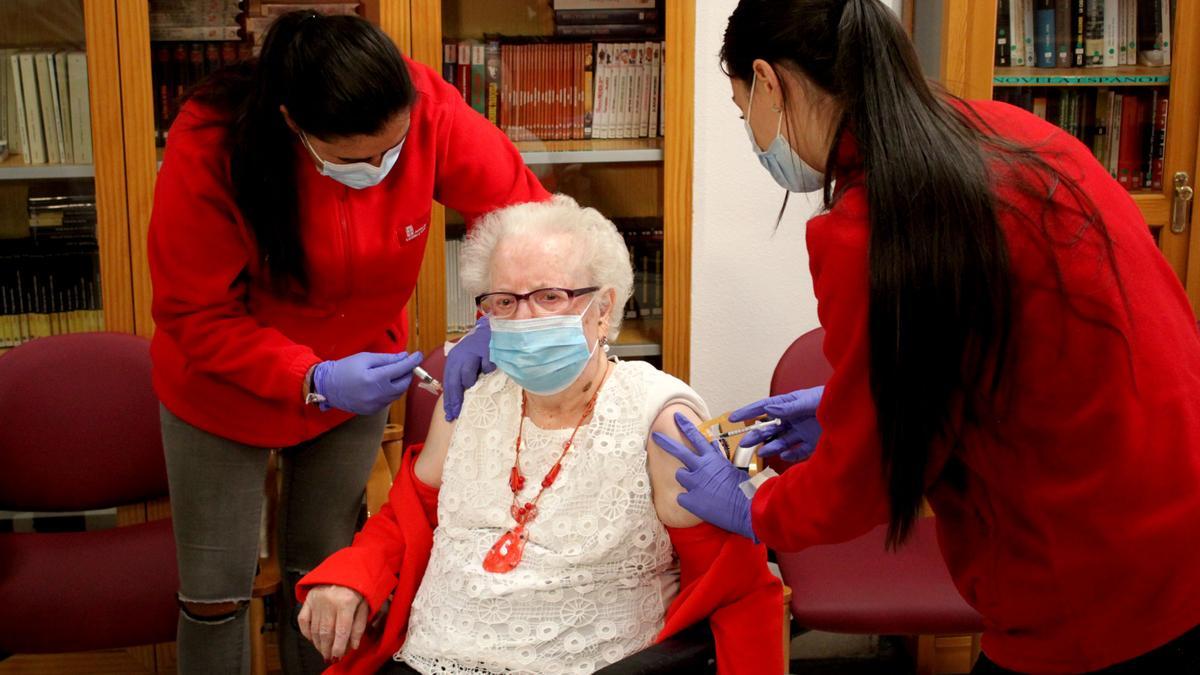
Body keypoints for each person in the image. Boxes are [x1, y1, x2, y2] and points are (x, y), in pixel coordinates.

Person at [654, 1, 1200, 673]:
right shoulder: (1007, 131)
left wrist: (756, 508)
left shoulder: (868, 228)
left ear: (769, 82)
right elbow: (1013, 343)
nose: (755, 135)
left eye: (745, 115)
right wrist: (849, 401)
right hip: (1176, 507)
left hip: (1089, 578)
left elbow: (867, 482)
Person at [148, 11, 546, 674]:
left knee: (328, 575)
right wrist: (313, 377)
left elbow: (522, 216)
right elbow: (194, 313)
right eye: (356, 159)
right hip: (219, 386)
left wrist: (499, 316)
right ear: (291, 123)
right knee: (217, 593)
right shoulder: (213, 143)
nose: (382, 170)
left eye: (393, 150)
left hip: (363, 372)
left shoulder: (423, 108)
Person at [293, 196, 783, 674]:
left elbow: (732, 586)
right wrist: (353, 575)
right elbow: (410, 516)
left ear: (604, 308)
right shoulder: (468, 399)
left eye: (550, 296)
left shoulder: (657, 418)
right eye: (505, 302)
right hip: (424, 659)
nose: (525, 320)